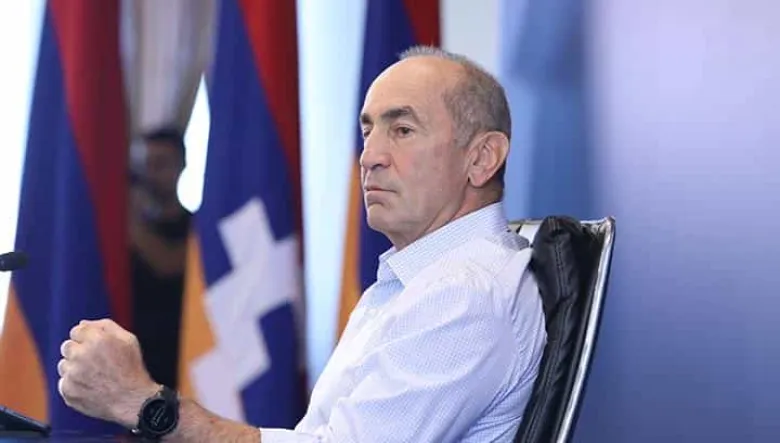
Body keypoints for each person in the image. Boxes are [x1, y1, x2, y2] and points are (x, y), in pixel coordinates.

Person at [56, 46, 547, 442]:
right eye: (368, 130)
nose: (370, 156)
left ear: (482, 158)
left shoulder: (463, 294)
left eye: (402, 130)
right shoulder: (418, 280)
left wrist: (144, 403)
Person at [129, 128, 192, 390]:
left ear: (181, 166)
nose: (150, 174)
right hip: (134, 360)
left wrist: (127, 216)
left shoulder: (196, 228)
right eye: (145, 165)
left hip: (183, 358)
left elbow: (168, 264)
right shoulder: (130, 233)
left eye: (161, 164)